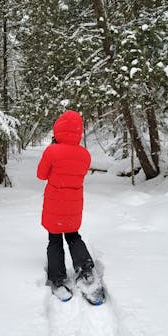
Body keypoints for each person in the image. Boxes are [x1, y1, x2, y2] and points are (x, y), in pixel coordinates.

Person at [37, 110, 96, 301]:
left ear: (58, 130)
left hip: (55, 204)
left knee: (54, 240)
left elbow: (41, 174)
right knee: (73, 236)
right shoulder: (85, 155)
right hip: (73, 204)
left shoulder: (52, 151)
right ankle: (85, 269)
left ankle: (58, 277)